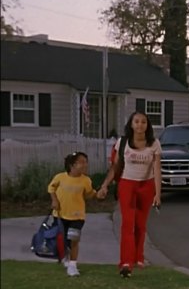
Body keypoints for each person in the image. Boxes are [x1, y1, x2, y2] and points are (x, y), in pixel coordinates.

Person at [97, 111, 162, 279]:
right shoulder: (123, 142)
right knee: (128, 223)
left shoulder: (154, 144)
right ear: (131, 124)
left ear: (147, 125)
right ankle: (125, 263)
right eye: (137, 122)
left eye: (143, 122)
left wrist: (158, 194)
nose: (140, 125)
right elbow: (116, 167)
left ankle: (138, 258)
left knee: (140, 224)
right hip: (127, 184)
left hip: (146, 186)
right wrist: (104, 185)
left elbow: (157, 170)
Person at [48, 152, 100, 277]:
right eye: (81, 162)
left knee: (74, 240)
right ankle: (65, 257)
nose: (85, 165)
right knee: (63, 240)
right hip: (60, 215)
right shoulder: (60, 177)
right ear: (72, 165)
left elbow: (89, 194)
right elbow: (51, 188)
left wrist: (98, 194)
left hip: (77, 216)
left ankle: (73, 265)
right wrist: (54, 200)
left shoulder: (86, 180)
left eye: (86, 162)